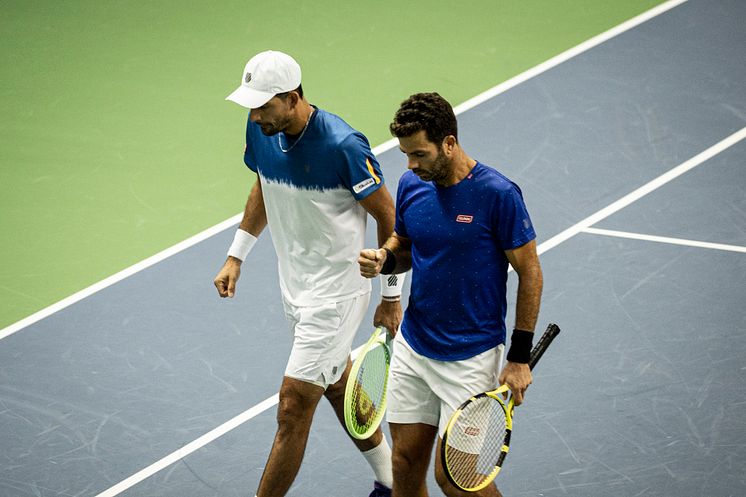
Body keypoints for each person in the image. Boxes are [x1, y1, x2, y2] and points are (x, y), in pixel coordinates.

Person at [214, 50, 405, 497]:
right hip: (295, 286)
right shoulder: (260, 129)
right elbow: (263, 182)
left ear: (293, 97)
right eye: (251, 105)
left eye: (264, 105)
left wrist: (390, 295)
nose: (255, 114)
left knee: (292, 407)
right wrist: (236, 254)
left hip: (337, 295)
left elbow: (391, 219)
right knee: (338, 386)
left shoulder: (343, 146)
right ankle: (393, 482)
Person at [358, 92, 543, 497]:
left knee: (458, 481)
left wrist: (519, 357)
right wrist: (384, 258)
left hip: (471, 356)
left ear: (449, 143)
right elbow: (405, 244)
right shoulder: (411, 185)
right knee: (405, 464)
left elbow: (530, 273)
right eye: (406, 155)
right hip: (415, 346)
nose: (410, 165)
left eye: (419, 154)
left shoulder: (498, 195)